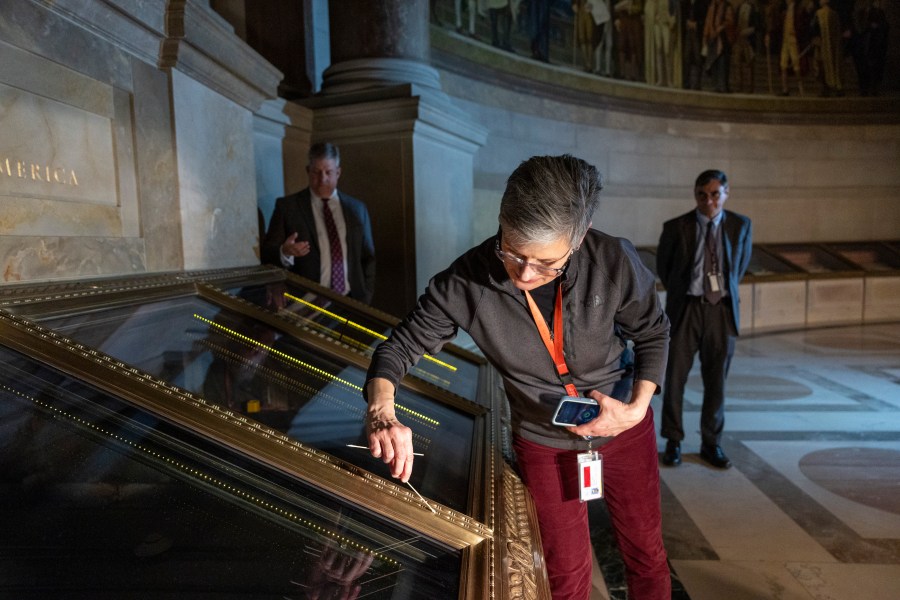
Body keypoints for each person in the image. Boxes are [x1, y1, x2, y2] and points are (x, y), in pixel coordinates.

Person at [364, 155, 672, 599]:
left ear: (579, 238)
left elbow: (653, 331)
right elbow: (399, 348)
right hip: (544, 441)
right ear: (501, 220)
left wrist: (636, 408)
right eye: (513, 253)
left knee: (646, 553)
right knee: (565, 574)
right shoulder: (467, 281)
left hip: (623, 426)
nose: (526, 275)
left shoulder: (613, 259)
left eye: (547, 264)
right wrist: (382, 412)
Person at [657, 170, 753, 470]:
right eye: (702, 194)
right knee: (674, 379)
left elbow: (740, 264)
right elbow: (664, 267)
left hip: (720, 312)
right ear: (695, 195)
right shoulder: (676, 226)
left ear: (726, 193)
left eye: (715, 194)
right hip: (686, 308)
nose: (709, 200)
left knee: (716, 383)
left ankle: (711, 443)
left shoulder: (741, 225)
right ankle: (673, 441)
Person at [262, 142, 376, 304]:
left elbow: (368, 257)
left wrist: (366, 295)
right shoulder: (287, 207)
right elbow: (267, 254)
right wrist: (284, 252)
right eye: (316, 172)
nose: (323, 179)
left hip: (351, 301)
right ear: (308, 171)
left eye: (328, 172)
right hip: (304, 303)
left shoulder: (357, 209)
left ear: (338, 172)